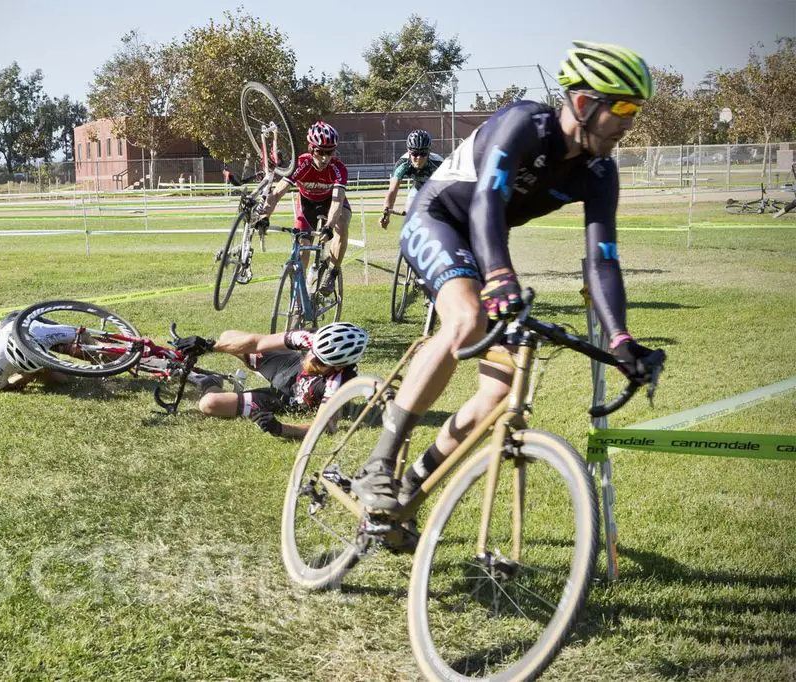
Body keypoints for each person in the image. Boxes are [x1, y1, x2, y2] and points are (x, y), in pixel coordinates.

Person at [350, 40, 666, 513]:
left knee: (498, 392)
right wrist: (498, 275)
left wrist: (621, 339)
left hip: (485, 239)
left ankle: (413, 483)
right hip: (440, 217)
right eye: (621, 105)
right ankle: (379, 462)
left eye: (635, 109)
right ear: (582, 102)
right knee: (467, 319)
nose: (629, 120)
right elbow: (485, 203)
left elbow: (602, 260)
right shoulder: (524, 124)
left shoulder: (600, 172)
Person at [176, 322, 369, 440]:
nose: (311, 359)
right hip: (288, 366)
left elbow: (326, 426)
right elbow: (257, 342)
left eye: (319, 362)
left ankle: (211, 381)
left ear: (337, 367)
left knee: (209, 404)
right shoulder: (311, 338)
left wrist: (281, 428)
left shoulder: (341, 382)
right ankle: (257, 368)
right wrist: (210, 346)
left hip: (289, 397)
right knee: (229, 338)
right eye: (313, 352)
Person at [252, 121, 351, 295]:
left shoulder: (338, 168)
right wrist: (264, 217)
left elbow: (337, 201)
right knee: (302, 246)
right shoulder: (301, 164)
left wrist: (329, 226)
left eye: (330, 152)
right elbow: (277, 193)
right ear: (311, 149)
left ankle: (332, 273)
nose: (325, 158)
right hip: (307, 204)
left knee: (342, 224)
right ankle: (300, 294)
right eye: (320, 152)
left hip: (331, 202)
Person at [0, 310, 84, 391]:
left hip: (17, 322)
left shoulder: (38, 331)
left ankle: (95, 359)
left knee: (68, 346)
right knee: (62, 379)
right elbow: (1, 388)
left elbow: (78, 333)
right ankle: (49, 366)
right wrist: (27, 377)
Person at [379, 129, 444, 228]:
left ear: (429, 152)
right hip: (417, 187)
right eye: (415, 154)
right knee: (411, 216)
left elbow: (448, 191)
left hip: (436, 189)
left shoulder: (438, 164)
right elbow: (392, 191)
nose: (419, 158)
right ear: (409, 152)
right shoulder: (402, 164)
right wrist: (386, 214)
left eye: (423, 154)